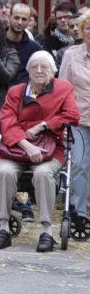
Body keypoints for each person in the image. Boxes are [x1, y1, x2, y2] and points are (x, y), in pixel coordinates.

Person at [0, 51, 80, 252]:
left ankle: (47, 231)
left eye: (44, 66)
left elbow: (73, 115)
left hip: (50, 149)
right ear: (28, 71)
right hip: (16, 148)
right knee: (4, 171)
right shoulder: (16, 91)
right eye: (34, 67)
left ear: (53, 71)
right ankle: (3, 227)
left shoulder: (63, 88)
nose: (39, 70)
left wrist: (44, 125)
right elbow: (7, 121)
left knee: (43, 174)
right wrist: (26, 144)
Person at [58, 11, 90, 221]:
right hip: (79, 120)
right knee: (79, 164)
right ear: (82, 30)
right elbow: (62, 88)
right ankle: (79, 213)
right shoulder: (71, 55)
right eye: (88, 28)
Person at [5, 3, 41, 85]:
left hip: (24, 92)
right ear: (9, 17)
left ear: (28, 21)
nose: (20, 22)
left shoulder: (35, 49)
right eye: (16, 18)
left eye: (24, 19)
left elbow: (38, 77)